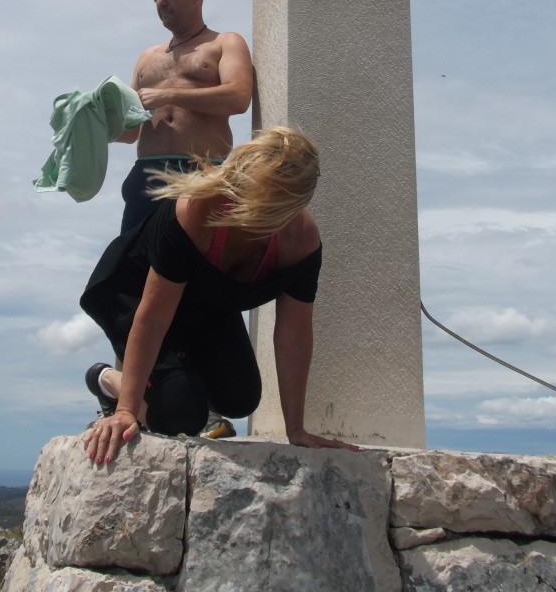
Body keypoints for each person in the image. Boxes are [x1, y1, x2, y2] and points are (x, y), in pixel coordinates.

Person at [80, 127, 361, 464]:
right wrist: (126, 410)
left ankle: (170, 385)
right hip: (138, 298)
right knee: (181, 414)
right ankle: (106, 379)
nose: (242, 210)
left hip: (206, 307)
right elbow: (153, 317)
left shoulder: (301, 242)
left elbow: (294, 337)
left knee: (240, 399)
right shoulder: (195, 211)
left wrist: (296, 430)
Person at [117, 0, 253, 233]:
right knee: (129, 260)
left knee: (192, 260)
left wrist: (169, 95)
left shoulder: (225, 42)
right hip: (146, 175)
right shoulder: (146, 57)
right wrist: (92, 121)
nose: (161, 1)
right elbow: (129, 131)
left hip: (201, 174)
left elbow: (238, 98)